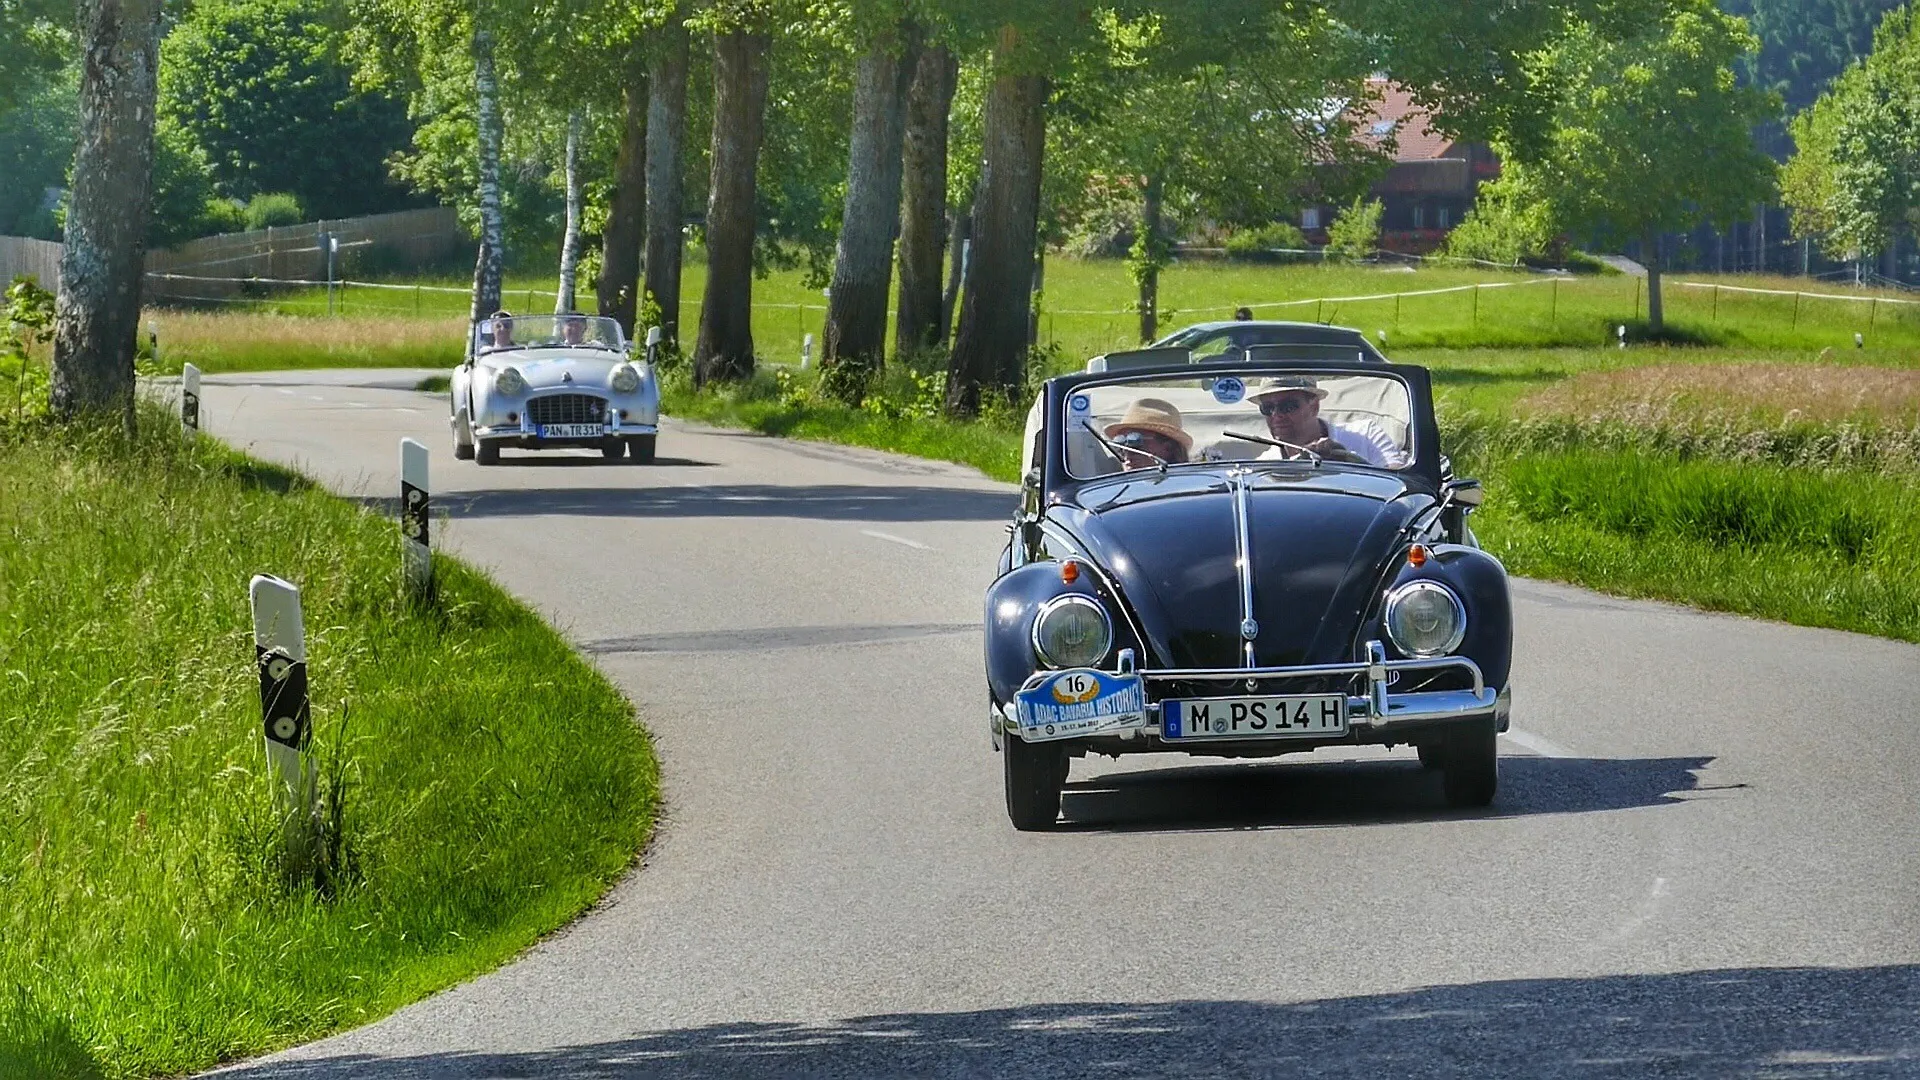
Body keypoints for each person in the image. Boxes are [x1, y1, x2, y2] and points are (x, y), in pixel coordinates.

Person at [1249, 375, 1404, 467]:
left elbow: (1400, 480)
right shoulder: (1265, 466)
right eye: (1267, 408)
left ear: (1314, 406)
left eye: (1288, 406)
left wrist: (1347, 461)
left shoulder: (1366, 434)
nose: (1276, 415)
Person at [1104, 398, 1192, 470]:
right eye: (1120, 443)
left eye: (1135, 440)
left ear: (1168, 447)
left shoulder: (1191, 486)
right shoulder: (1114, 490)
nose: (1127, 452)